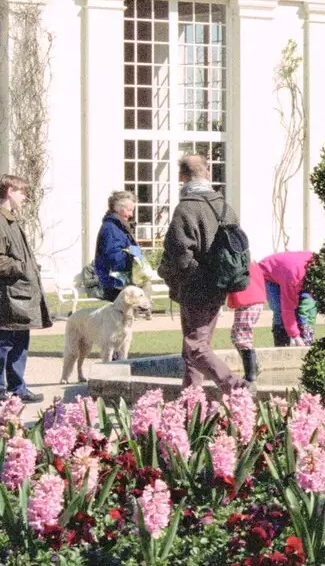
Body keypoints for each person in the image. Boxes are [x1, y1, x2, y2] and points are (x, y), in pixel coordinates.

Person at [158, 153, 243, 392]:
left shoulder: (185, 209)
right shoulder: (225, 207)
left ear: (181, 177)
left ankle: (234, 386)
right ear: (207, 173)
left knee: (195, 346)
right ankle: (190, 403)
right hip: (221, 284)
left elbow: (179, 255)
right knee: (196, 348)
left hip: (196, 287)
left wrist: (169, 275)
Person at [0, 175, 50, 403]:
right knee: (5, 344)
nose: (25, 197)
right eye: (22, 192)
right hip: (9, 294)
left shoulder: (11, 220)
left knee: (19, 343)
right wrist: (24, 268)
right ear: (10, 191)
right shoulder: (1, 221)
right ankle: (4, 390)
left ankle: (17, 388)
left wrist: (29, 267)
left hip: (19, 293)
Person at [259, 251, 317, 347]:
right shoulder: (293, 279)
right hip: (268, 273)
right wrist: (295, 336)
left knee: (304, 308)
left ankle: (306, 338)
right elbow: (288, 309)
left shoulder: (316, 261)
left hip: (287, 270)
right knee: (280, 310)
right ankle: (281, 346)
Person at [93, 190, 143, 301]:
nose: (131, 215)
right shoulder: (111, 228)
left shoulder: (120, 227)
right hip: (115, 283)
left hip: (122, 280)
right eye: (129, 210)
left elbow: (131, 250)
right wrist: (134, 257)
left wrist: (138, 256)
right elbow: (115, 258)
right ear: (117, 208)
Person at [227, 263, 267, 384]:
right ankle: (254, 367)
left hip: (248, 301)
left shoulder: (236, 261)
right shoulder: (248, 260)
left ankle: (251, 376)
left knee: (241, 338)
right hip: (252, 300)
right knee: (236, 336)